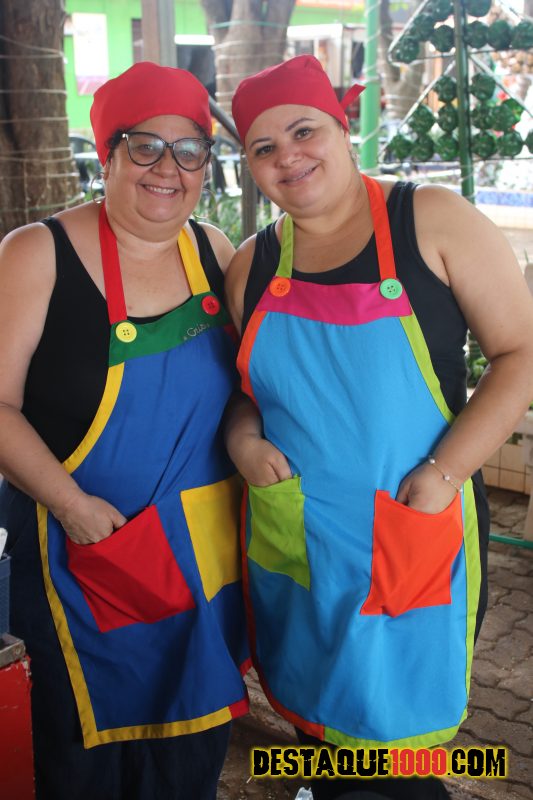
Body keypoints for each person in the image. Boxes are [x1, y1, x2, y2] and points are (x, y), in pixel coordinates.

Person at [225, 55, 533, 799]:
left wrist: (444, 474)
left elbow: (520, 354)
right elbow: (244, 391)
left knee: (398, 748)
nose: (287, 156)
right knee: (317, 724)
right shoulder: (252, 265)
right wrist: (242, 440)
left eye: (304, 131)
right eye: (264, 147)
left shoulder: (430, 220)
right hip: (301, 533)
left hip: (412, 520)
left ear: (344, 130)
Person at [0, 61, 250, 800]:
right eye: (145, 146)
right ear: (107, 156)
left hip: (199, 556)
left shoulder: (214, 251)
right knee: (80, 754)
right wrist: (73, 507)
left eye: (189, 149)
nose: (167, 168)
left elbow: (252, 388)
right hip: (77, 554)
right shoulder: (37, 253)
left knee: (190, 747)